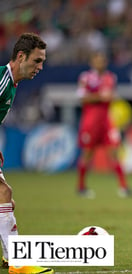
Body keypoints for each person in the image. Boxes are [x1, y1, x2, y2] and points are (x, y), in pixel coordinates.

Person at [0, 33, 53, 274]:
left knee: (6, 200)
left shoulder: (12, 83)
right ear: (21, 56)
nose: (40, 67)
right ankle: (17, 263)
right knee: (3, 193)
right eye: (37, 61)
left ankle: (10, 256)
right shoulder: (2, 80)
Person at [76, 52, 132, 198]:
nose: (101, 63)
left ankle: (124, 187)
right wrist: (100, 96)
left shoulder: (110, 77)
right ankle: (81, 187)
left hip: (106, 120)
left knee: (113, 152)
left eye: (103, 60)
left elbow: (112, 96)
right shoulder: (86, 77)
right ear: (92, 62)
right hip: (91, 121)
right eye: (98, 61)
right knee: (88, 153)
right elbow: (82, 98)